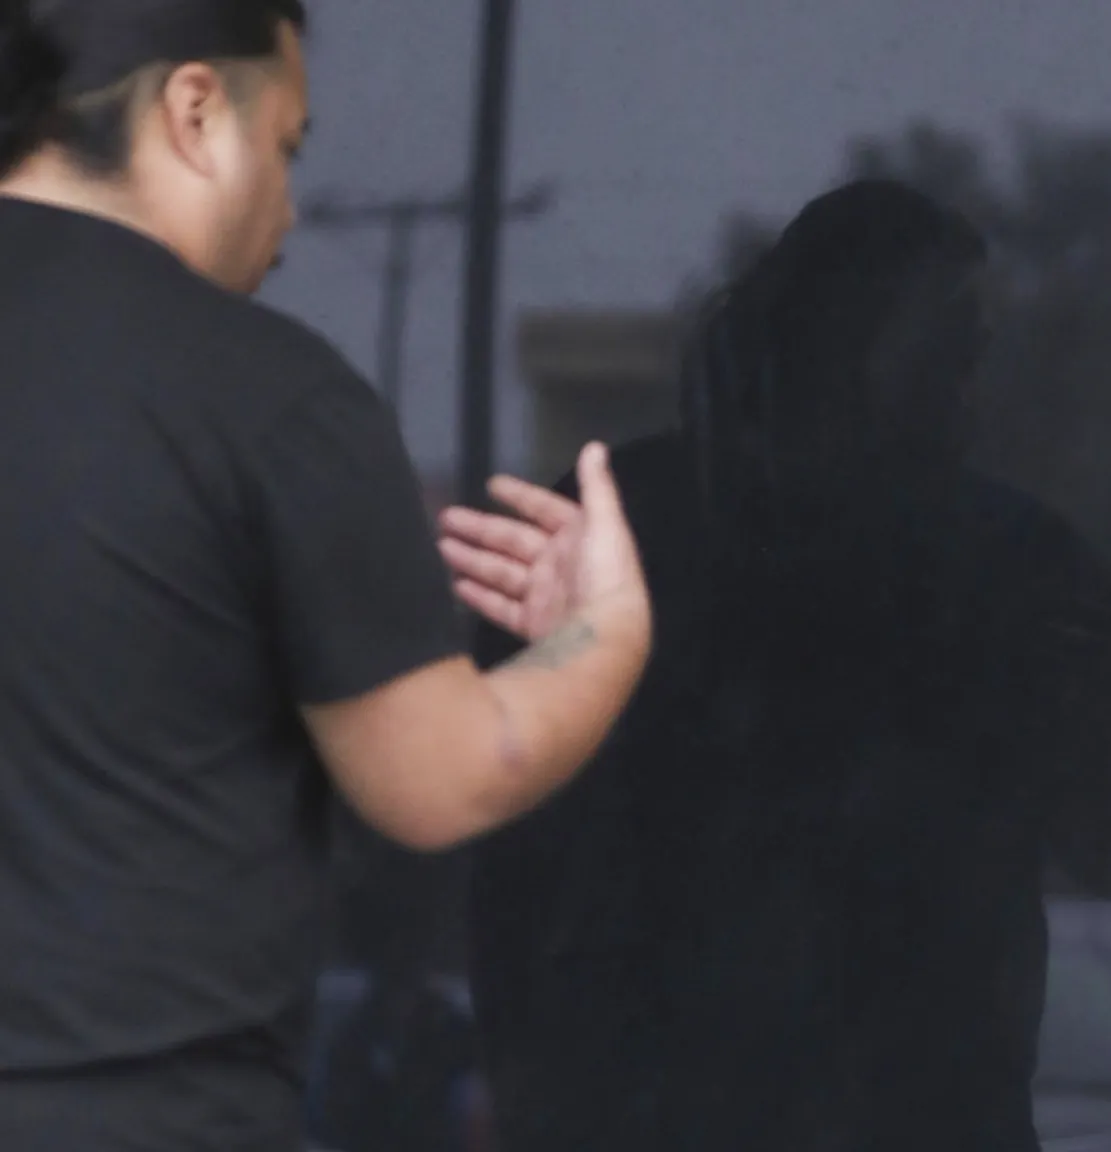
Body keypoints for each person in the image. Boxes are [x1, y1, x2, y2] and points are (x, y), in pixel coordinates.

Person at [0, 2, 651, 1147]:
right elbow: (443, 777)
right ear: (194, 111)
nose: (291, 210)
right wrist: (603, 631)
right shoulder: (266, 397)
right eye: (286, 148)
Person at [468, 179, 1111, 1152]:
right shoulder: (619, 542)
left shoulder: (1007, 568)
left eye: (966, 355)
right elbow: (510, 878)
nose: (963, 389)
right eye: (940, 351)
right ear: (828, 344)